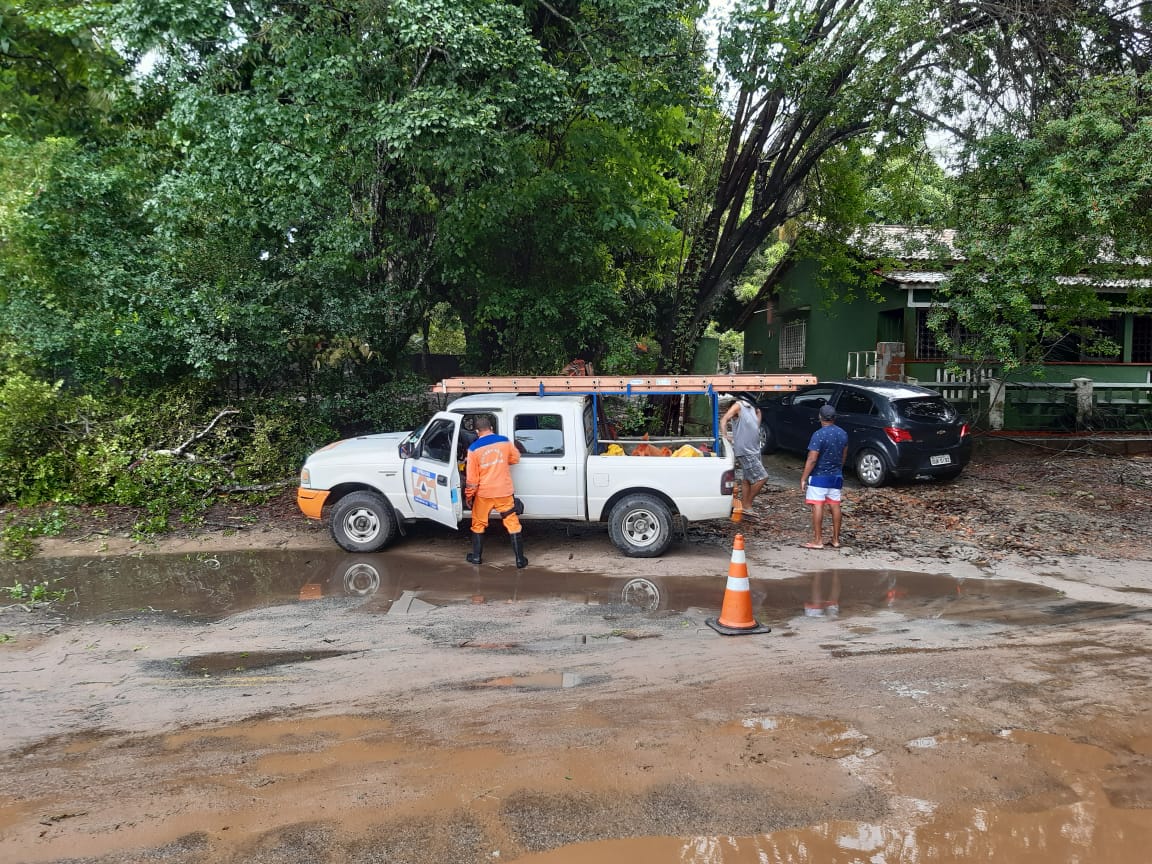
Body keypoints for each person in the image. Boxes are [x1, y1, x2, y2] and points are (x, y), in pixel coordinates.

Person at [464, 415, 528, 568]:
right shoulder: (504, 441)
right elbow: (516, 458)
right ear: (491, 428)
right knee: (512, 523)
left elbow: (472, 479)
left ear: (477, 432)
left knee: (478, 524)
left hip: (484, 494)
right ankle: (520, 560)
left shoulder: (473, 450)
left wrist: (469, 496)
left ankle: (476, 558)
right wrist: (502, 461)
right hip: (504, 491)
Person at [799, 403, 849, 549]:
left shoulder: (818, 435)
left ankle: (818, 540)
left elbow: (812, 459)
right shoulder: (843, 433)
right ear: (834, 418)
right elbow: (843, 455)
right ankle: (836, 540)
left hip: (820, 476)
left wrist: (803, 477)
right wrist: (839, 469)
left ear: (820, 417)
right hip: (836, 476)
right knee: (835, 505)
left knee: (817, 505)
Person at [721, 392, 768, 516]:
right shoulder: (739, 405)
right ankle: (747, 503)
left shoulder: (752, 408)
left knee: (746, 480)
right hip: (745, 450)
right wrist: (725, 436)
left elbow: (756, 421)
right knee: (762, 477)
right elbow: (724, 419)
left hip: (754, 449)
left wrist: (757, 417)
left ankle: (746, 506)